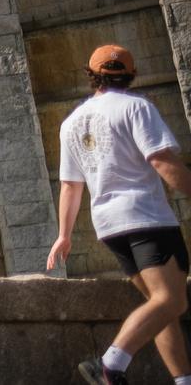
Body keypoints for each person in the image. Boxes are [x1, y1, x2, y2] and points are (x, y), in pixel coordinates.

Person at [49, 44, 191, 385]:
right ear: (130, 74)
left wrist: (64, 235)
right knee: (171, 300)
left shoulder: (71, 124)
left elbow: (71, 186)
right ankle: (110, 364)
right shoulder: (137, 107)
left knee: (160, 308)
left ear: (92, 75)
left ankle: (183, 380)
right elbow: (161, 162)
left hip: (109, 227)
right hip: (146, 217)